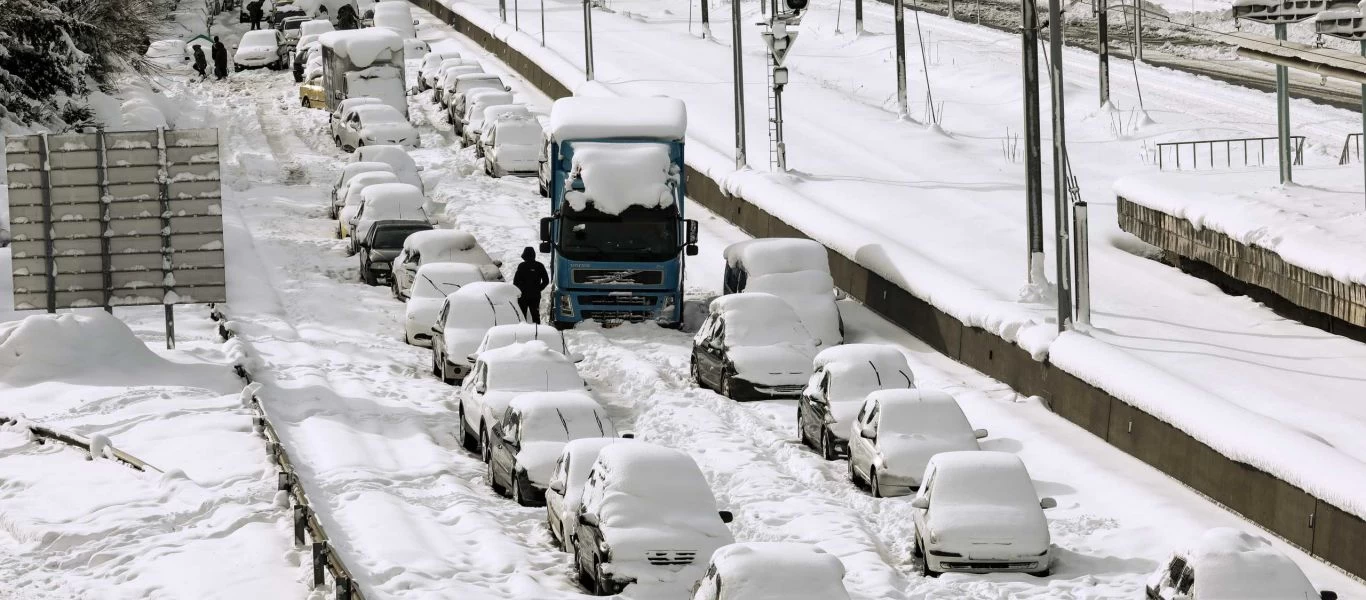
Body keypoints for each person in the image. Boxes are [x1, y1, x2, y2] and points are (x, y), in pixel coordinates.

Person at [513, 247, 549, 323]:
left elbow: (515, 282)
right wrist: (538, 289)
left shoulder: (521, 266)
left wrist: (519, 291)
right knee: (535, 316)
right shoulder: (539, 265)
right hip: (535, 296)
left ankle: (523, 329)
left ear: (524, 255)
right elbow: (546, 281)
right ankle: (537, 329)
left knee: (522, 317)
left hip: (523, 296)